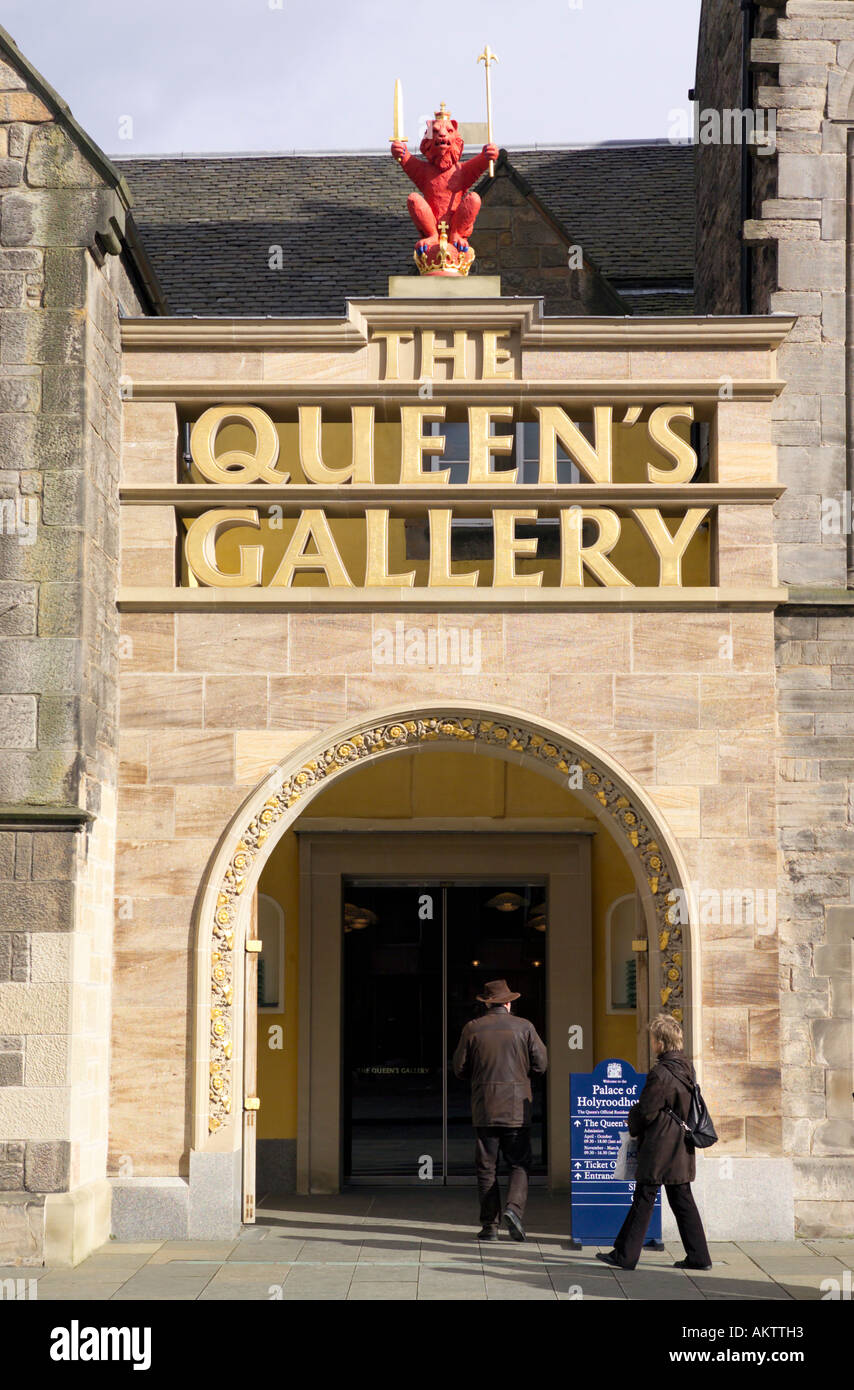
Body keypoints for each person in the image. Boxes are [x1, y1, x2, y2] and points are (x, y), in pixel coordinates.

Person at [596, 1013, 712, 1271]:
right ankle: (699, 1257)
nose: (651, 1043)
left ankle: (625, 1256)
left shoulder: (660, 1073)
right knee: (683, 1202)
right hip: (681, 1147)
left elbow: (647, 1111)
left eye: (652, 1039)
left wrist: (632, 1120)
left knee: (644, 1199)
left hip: (659, 1148)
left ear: (660, 1042)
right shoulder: (687, 1069)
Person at [452, 979, 548, 1243]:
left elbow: (459, 1068)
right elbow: (541, 1064)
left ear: (486, 1003)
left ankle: (489, 1226)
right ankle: (513, 1210)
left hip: (485, 1107)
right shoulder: (524, 1027)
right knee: (518, 1163)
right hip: (517, 1108)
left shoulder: (472, 1029)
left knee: (486, 1167)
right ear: (508, 1003)